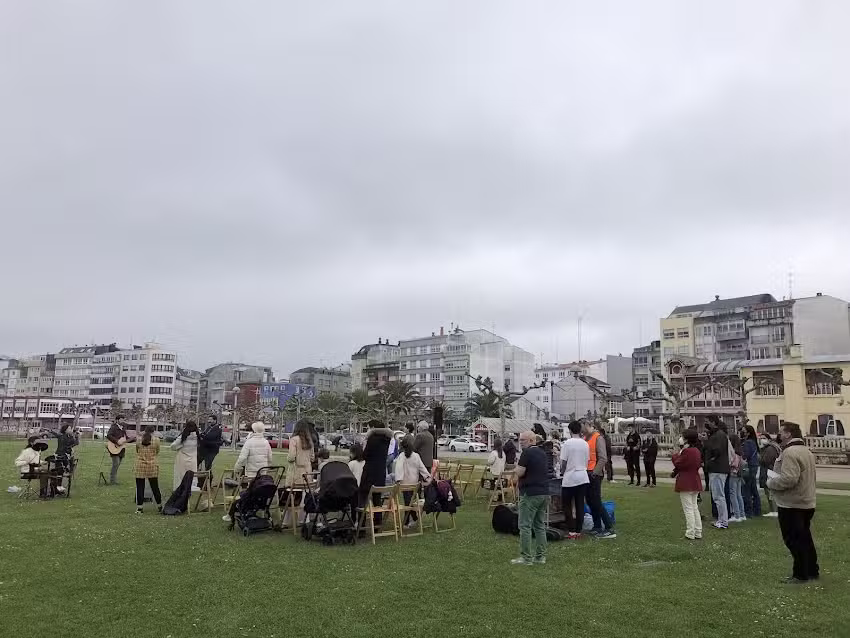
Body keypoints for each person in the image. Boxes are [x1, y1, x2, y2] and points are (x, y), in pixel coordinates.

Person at [766, 422, 819, 584]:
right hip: (806, 501)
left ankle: (800, 574)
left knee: (794, 540)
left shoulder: (790, 452)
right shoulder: (806, 451)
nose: (778, 435)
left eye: (781, 432)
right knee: (805, 539)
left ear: (788, 434)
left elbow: (789, 479)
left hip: (792, 503)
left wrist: (771, 483)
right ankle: (811, 570)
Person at [223, 421, 274, 523]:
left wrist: (236, 469)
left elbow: (242, 458)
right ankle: (260, 512)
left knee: (251, 493)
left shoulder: (249, 442)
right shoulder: (265, 442)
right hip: (263, 473)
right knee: (260, 493)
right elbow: (270, 458)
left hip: (252, 472)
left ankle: (246, 511)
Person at [511, 430, 549, 565]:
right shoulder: (542, 453)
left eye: (523, 440)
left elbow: (520, 472)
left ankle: (526, 558)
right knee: (539, 525)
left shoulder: (527, 453)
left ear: (532, 440)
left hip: (530, 493)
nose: (520, 443)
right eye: (520, 440)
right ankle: (540, 556)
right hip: (543, 493)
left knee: (525, 525)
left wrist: (516, 468)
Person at [583, 422, 616, 538]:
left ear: (590, 426)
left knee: (596, 501)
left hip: (594, 473)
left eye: (584, 426)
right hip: (587, 472)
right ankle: (597, 526)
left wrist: (595, 473)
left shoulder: (598, 438)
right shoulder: (586, 438)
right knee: (590, 501)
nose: (583, 429)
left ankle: (608, 527)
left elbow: (603, 458)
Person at [359, 420, 394, 525]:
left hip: (369, 473)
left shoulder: (372, 440)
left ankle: (362, 524)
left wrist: (364, 442)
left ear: (373, 428)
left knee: (362, 497)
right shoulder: (387, 439)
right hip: (380, 473)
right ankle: (378, 523)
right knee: (377, 498)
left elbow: (365, 455)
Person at [559, 421, 590, 540]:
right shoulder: (585, 443)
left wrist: (562, 471)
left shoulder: (567, 443)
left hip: (570, 476)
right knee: (580, 504)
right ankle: (578, 530)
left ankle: (571, 530)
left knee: (566, 504)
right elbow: (586, 460)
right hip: (582, 476)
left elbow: (564, 462)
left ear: (570, 431)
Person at [394, 436, 432, 527]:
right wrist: (428, 477)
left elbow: (399, 469)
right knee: (409, 502)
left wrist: (398, 480)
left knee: (408, 503)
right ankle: (412, 520)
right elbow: (422, 468)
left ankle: (408, 521)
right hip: (414, 483)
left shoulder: (402, 456)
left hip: (404, 483)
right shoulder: (416, 456)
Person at [672, 429, 703, 540]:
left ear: (686, 439)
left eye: (682, 436)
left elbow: (678, 463)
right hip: (694, 480)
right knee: (694, 508)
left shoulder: (687, 452)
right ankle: (698, 531)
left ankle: (690, 532)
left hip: (686, 481)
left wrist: (676, 455)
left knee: (688, 509)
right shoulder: (696, 450)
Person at [704, 418, 730, 529]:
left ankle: (723, 521)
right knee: (717, 496)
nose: (706, 424)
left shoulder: (719, 435)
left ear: (713, 422)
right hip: (716, 468)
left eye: (708, 421)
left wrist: (709, 461)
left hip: (718, 469)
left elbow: (716, 450)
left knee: (719, 496)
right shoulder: (717, 435)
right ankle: (721, 519)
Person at [134, 424, 162, 513]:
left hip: (140, 466)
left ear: (145, 431)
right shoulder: (156, 440)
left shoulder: (139, 440)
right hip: (152, 466)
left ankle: (139, 508)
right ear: (153, 432)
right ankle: (159, 506)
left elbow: (137, 450)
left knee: (140, 487)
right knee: (155, 487)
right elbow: (157, 451)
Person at [169, 420, 199, 490]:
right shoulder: (197, 437)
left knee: (181, 476)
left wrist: (180, 446)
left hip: (182, 459)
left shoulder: (183, 436)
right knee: (191, 476)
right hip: (192, 460)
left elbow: (173, 446)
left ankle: (180, 489)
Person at [287, 419, 316, 487]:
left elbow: (291, 458)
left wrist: (288, 458)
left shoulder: (294, 440)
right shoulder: (309, 440)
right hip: (308, 473)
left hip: (296, 473)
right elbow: (312, 458)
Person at [741, 425, 762, 517]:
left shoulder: (748, 442)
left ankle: (748, 511)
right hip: (754, 466)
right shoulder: (753, 442)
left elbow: (746, 455)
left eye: (743, 431)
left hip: (749, 466)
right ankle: (757, 509)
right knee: (753, 488)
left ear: (748, 433)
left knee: (746, 489)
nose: (742, 433)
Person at [759, 432, 782, 517]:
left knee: (770, 492)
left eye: (763, 438)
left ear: (768, 439)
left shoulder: (770, 449)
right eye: (760, 438)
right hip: (769, 471)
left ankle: (774, 510)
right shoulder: (769, 448)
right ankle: (773, 509)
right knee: (768, 492)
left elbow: (765, 460)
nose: (761, 440)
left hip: (770, 472)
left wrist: (759, 458)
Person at [197, 414, 223, 478]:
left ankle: (208, 480)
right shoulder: (208, 428)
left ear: (215, 420)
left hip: (212, 450)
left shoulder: (218, 429)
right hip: (204, 449)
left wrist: (203, 437)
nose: (209, 421)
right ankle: (200, 479)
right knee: (197, 461)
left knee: (208, 465)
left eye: (211, 420)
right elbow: (204, 434)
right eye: (209, 419)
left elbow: (211, 436)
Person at [728, 433, 746, 523]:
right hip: (739, 475)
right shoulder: (740, 452)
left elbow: (732, 464)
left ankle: (737, 515)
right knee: (739, 494)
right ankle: (742, 514)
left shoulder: (733, 452)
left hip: (733, 474)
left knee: (733, 494)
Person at [106, 415, 128, 485]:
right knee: (116, 464)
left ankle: (114, 479)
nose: (123, 421)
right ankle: (112, 481)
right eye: (121, 419)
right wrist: (116, 441)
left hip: (121, 449)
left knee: (117, 465)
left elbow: (125, 438)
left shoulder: (123, 428)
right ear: (117, 420)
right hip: (114, 448)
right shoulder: (113, 427)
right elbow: (108, 435)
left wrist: (133, 439)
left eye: (123, 419)